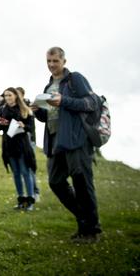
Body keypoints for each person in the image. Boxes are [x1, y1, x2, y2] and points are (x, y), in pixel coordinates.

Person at [31, 47, 101, 243]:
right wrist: (37, 111)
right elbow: (48, 117)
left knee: (82, 185)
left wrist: (64, 101)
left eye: (55, 61)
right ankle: (83, 219)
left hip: (76, 139)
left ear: (64, 61)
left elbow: (91, 103)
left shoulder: (74, 79)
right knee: (55, 182)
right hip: (55, 141)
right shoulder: (48, 87)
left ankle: (91, 230)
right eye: (48, 61)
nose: (51, 65)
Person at [0, 87, 37, 210]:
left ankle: (30, 200)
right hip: (9, 144)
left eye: (10, 95)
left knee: (25, 171)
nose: (7, 98)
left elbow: (31, 127)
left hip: (22, 144)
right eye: (6, 95)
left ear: (16, 96)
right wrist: (1, 123)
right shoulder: (2, 109)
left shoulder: (24, 109)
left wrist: (23, 125)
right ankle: (21, 199)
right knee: (16, 174)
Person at [16, 87, 40, 201]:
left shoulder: (27, 106)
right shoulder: (14, 108)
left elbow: (30, 126)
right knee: (22, 170)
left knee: (29, 168)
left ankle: (35, 192)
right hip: (19, 142)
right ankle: (25, 194)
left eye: (18, 94)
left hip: (29, 141)